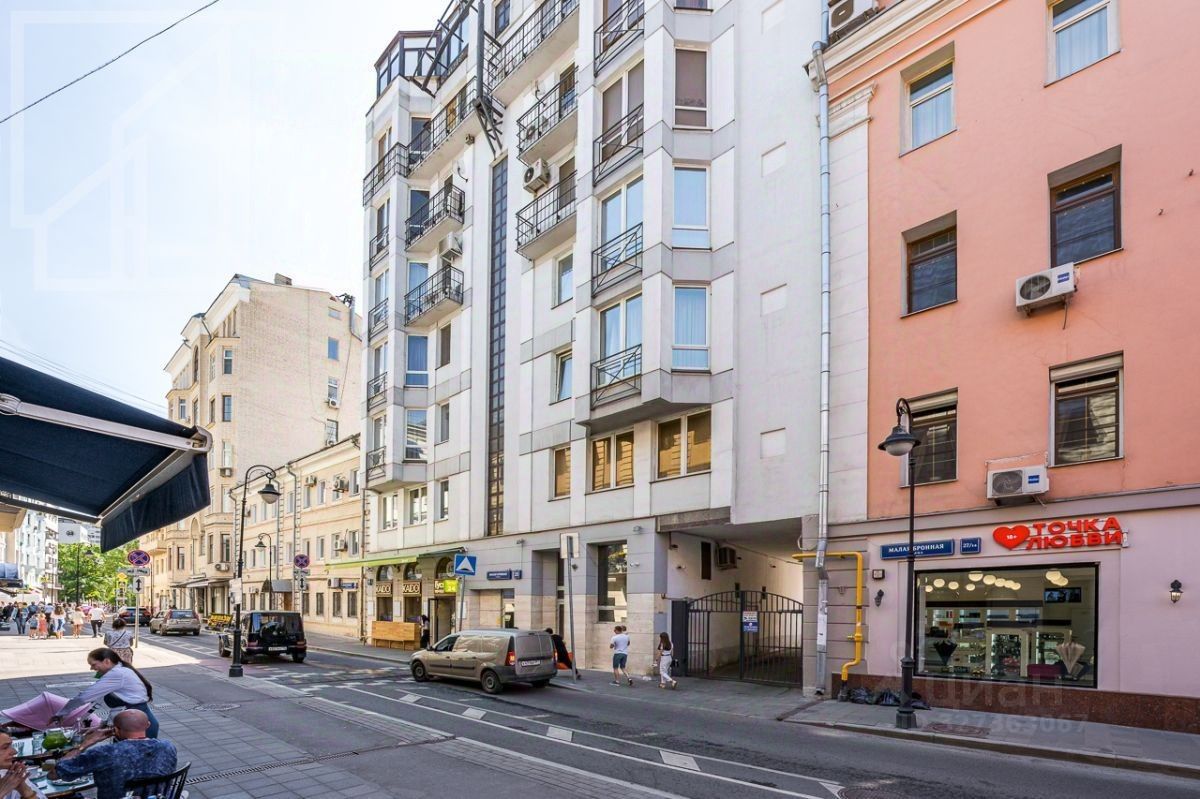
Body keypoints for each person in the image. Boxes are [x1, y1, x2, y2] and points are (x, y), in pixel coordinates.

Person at [48, 710, 175, 799]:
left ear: (116, 730)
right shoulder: (167, 746)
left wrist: (85, 744)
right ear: (148, 725)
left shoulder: (105, 753)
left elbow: (54, 774)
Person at [54, 649, 161, 739]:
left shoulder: (117, 674)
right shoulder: (121, 671)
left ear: (107, 661)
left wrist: (61, 713)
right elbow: (118, 708)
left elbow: (83, 697)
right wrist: (102, 726)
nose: (92, 668)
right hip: (135, 723)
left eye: (94, 664)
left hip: (137, 727)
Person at [0, 732, 46, 799]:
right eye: (5, 748)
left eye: (11, 746)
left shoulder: (10, 776)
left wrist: (25, 790)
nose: (14, 752)